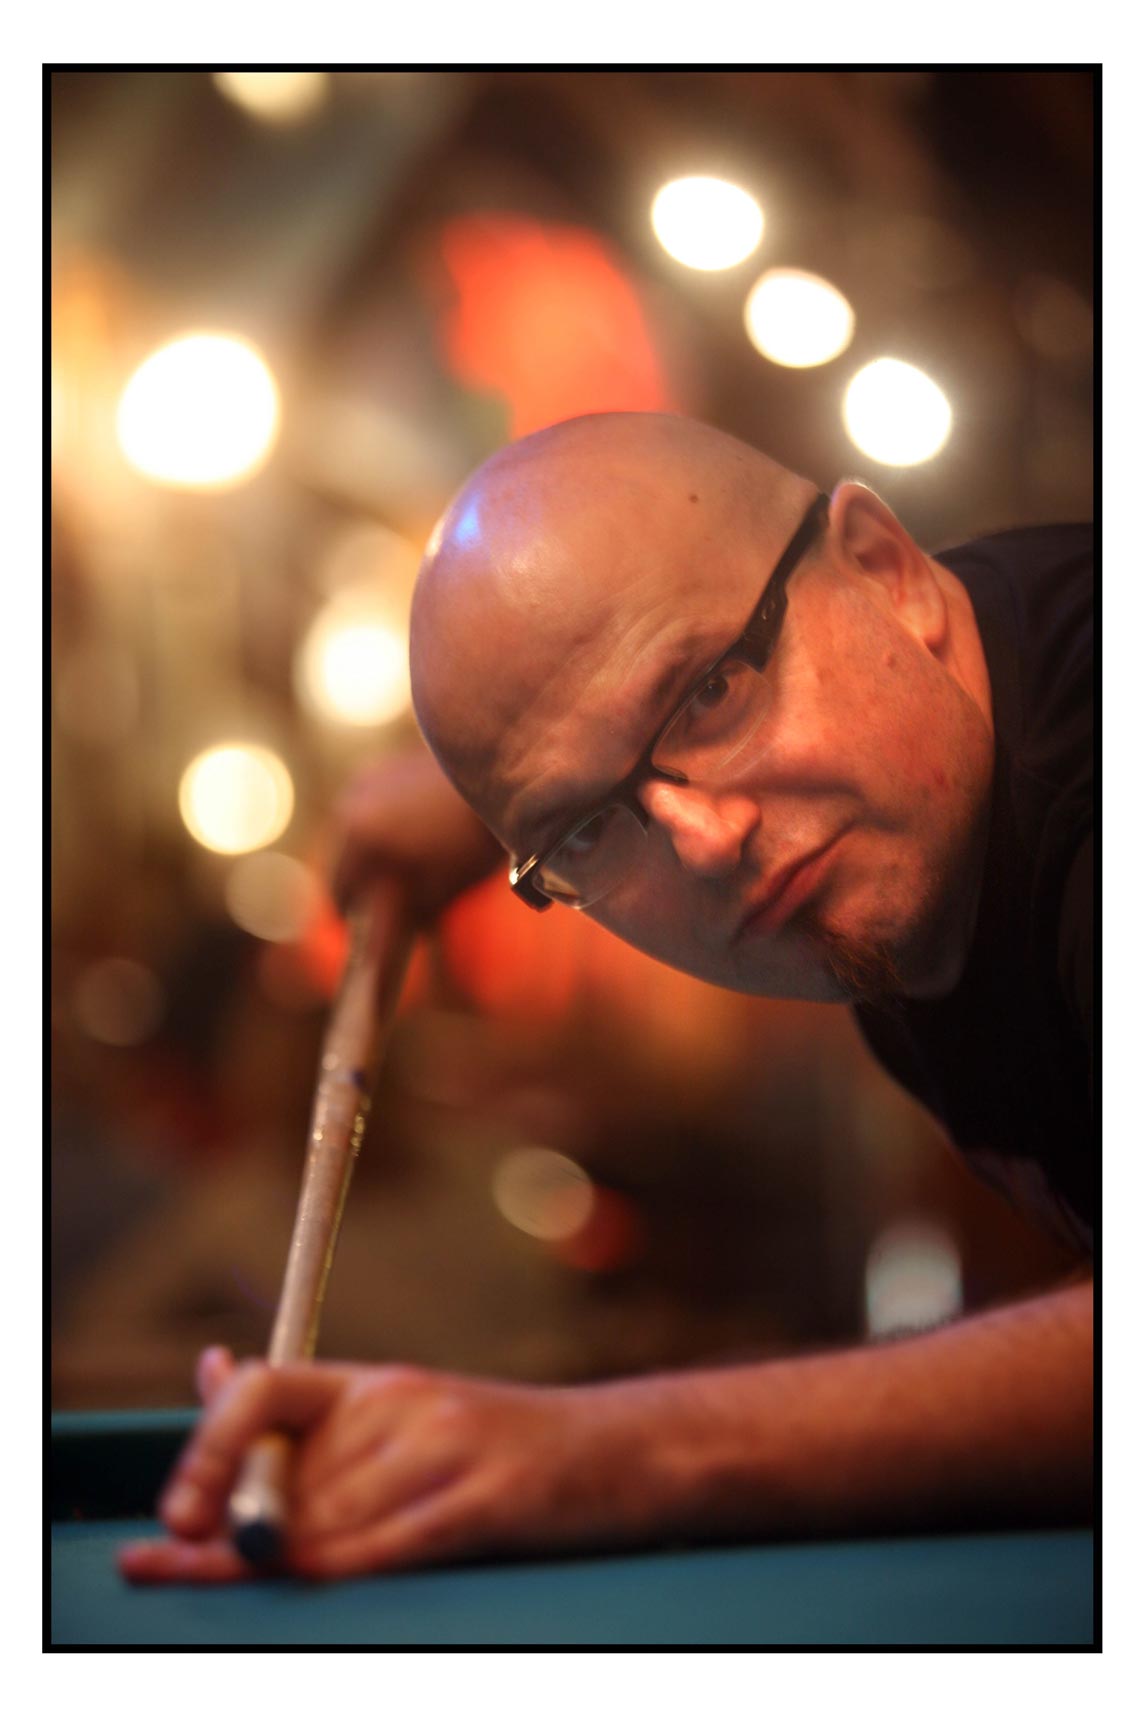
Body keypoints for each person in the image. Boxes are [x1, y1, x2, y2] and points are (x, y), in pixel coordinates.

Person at [121, 412, 1092, 1584]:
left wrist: (599, 1453)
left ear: (886, 570)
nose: (705, 840)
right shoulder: (882, 760)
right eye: (589, 829)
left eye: (711, 693)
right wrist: (527, 803)